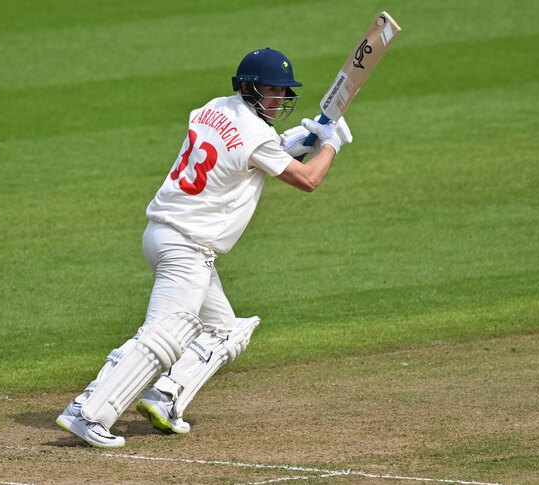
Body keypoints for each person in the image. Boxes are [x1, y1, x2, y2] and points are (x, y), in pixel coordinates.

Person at [56, 47, 352, 448]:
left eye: (284, 92)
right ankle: (88, 412)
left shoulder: (215, 108)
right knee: (161, 338)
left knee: (224, 331)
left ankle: (164, 396)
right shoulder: (258, 135)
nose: (280, 99)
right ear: (249, 88)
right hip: (187, 249)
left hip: (163, 234)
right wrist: (330, 143)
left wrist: (291, 143)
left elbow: (244, 157)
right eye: (273, 90)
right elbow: (309, 180)